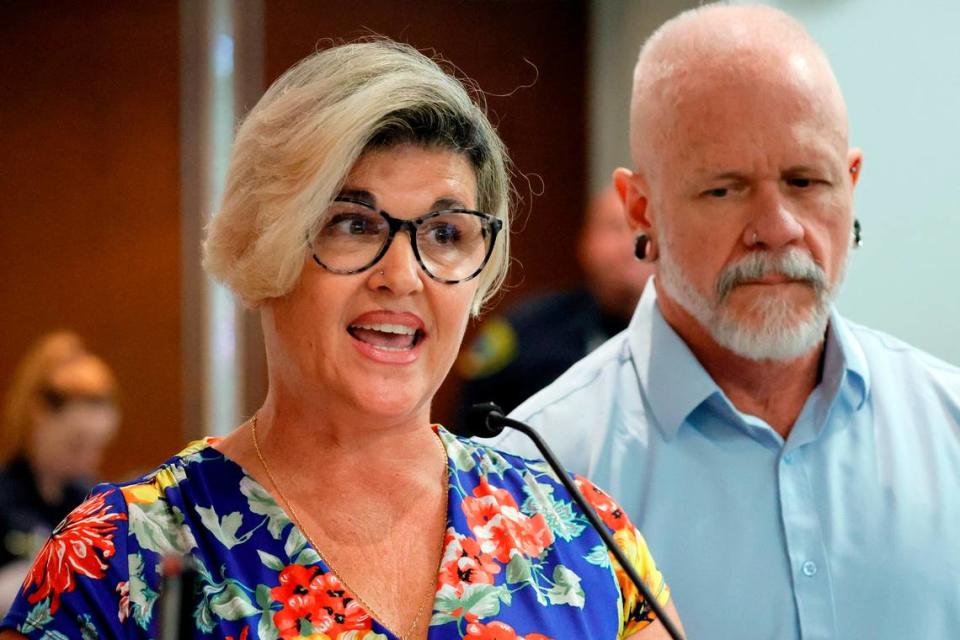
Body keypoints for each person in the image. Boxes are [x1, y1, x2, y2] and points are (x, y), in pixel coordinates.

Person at [1, 41, 680, 640]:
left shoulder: (583, 534)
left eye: (446, 234)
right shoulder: (115, 559)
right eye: (353, 224)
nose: (403, 275)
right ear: (261, 245)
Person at [495, 5, 960, 640]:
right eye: (725, 189)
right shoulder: (533, 484)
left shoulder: (949, 426)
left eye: (805, 180)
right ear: (641, 210)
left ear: (850, 183)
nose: (777, 228)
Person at [457, 186, 653, 416]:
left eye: (644, 232)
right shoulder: (526, 331)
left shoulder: (693, 339)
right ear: (586, 242)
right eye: (615, 228)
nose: (629, 246)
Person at [0, 332, 121, 615]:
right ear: (39, 414)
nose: (90, 460)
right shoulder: (5, 499)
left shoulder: (92, 503)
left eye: (98, 447)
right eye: (77, 444)